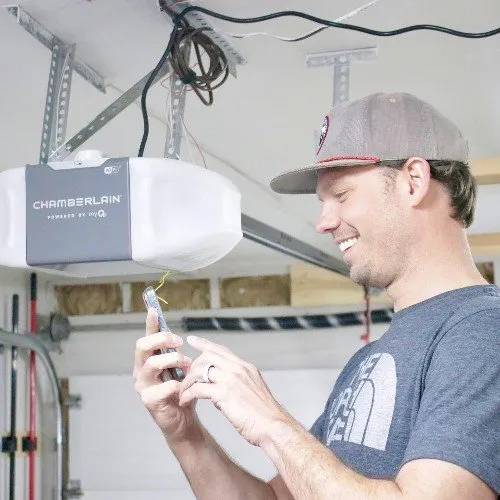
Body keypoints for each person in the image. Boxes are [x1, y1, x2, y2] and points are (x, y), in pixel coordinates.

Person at [133, 92, 500, 499]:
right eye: (322, 203)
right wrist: (187, 437)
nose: (324, 223)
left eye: (341, 196)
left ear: (413, 181)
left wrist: (271, 422)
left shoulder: (483, 332)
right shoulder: (372, 360)